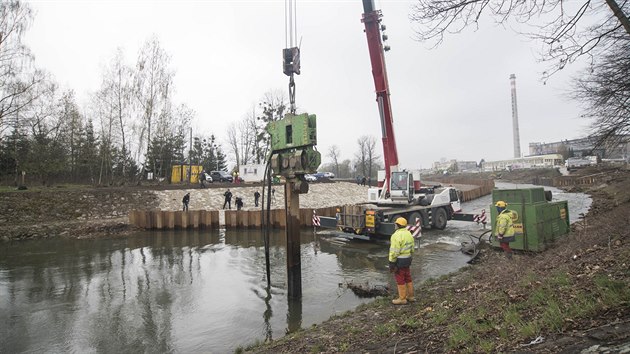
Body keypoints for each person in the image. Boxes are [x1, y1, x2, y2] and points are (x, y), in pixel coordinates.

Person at [389, 217, 415, 305]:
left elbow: (394, 251)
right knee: (408, 277)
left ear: (398, 225)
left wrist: (392, 262)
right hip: (408, 259)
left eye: (395, 224)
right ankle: (411, 296)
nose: (394, 225)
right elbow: (412, 248)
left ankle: (402, 298)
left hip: (399, 260)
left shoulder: (396, 235)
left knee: (400, 279)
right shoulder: (409, 234)